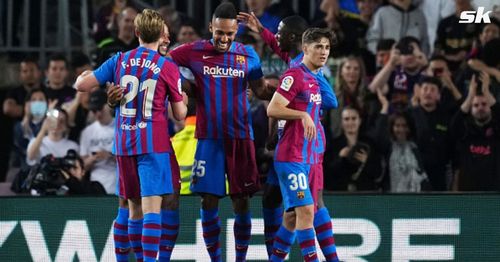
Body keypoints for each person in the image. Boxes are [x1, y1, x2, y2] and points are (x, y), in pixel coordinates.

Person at [75, 9, 187, 262]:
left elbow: (82, 86)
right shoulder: (166, 65)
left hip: (124, 143)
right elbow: (180, 114)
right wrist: (185, 100)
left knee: (131, 206)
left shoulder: (119, 60)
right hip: (153, 143)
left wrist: (82, 76)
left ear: (136, 33)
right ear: (161, 35)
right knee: (151, 209)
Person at [167, 3, 274, 261]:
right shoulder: (193, 51)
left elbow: (260, 91)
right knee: (209, 200)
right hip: (208, 138)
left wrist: (291, 95)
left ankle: (239, 259)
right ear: (210, 28)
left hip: (240, 138)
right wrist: (186, 87)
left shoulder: (248, 54)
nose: (224, 39)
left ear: (236, 31)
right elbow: (164, 63)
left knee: (242, 201)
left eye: (229, 33)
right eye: (219, 33)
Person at [238, 12, 339, 261]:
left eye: (280, 33)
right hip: (295, 145)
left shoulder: (306, 72)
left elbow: (331, 100)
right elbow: (282, 51)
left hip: (305, 144)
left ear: (294, 39)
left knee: (303, 207)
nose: (276, 38)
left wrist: (300, 107)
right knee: (292, 204)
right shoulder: (297, 68)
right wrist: (261, 30)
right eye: (320, 47)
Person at [266, 27, 335, 262]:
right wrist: (302, 115)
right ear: (305, 49)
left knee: (292, 218)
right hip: (291, 156)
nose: (323, 52)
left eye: (326, 47)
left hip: (309, 157)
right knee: (306, 211)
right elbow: (273, 108)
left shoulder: (316, 79)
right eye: (318, 47)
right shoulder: (294, 75)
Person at [450, 73, 499, 191]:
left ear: (490, 107)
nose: (480, 108)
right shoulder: (465, 130)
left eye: (484, 104)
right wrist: (469, 97)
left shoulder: (497, 129)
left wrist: (487, 93)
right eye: (476, 105)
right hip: (469, 193)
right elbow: (453, 127)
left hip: (495, 193)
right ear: (470, 110)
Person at [79, 89, 116, 194]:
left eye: (100, 109)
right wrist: (93, 159)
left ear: (108, 105)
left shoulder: (120, 128)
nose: (98, 114)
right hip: (96, 185)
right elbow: (82, 166)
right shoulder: (87, 132)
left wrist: (109, 156)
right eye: (94, 111)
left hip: (117, 182)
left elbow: (131, 161)